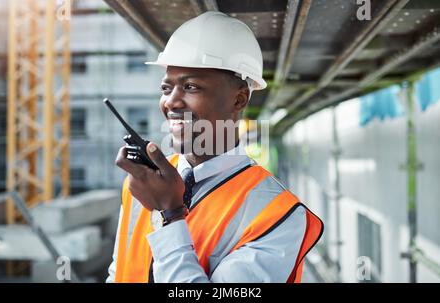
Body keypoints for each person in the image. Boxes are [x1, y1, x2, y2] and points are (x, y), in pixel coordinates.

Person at [106, 11, 323, 283]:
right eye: (166, 88)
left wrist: (170, 215)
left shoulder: (277, 215)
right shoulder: (142, 183)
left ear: (239, 100)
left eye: (191, 86)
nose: (171, 102)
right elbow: (119, 272)